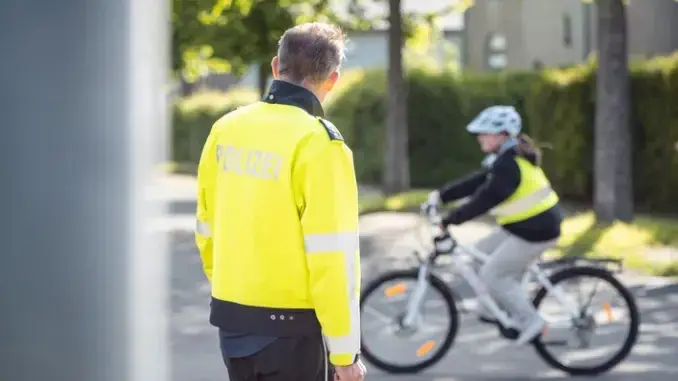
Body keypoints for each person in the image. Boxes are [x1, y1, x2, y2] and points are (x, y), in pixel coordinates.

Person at [194, 22, 366, 381]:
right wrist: (345, 351)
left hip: (232, 320)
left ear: (276, 67)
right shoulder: (319, 143)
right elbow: (333, 257)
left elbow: (206, 226)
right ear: (332, 80)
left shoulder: (226, 129)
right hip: (291, 329)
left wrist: (232, 288)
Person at [423, 105, 563, 346]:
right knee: (478, 258)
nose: (479, 137)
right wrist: (441, 196)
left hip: (537, 231)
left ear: (502, 135)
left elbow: (485, 198)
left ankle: (530, 321)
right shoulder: (504, 159)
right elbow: (476, 182)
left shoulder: (509, 165)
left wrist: (450, 219)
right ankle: (497, 308)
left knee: (494, 274)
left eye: (485, 132)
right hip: (521, 226)